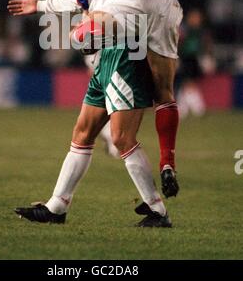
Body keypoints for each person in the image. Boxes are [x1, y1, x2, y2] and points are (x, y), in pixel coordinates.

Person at [73, 0, 243, 197]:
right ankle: (168, 162)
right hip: (169, 5)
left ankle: (98, 61)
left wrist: (84, 5)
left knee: (85, 35)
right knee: (165, 91)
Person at [15, 34, 172, 228]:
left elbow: (128, 13)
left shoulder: (130, 5)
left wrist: (94, 29)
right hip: (104, 58)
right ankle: (56, 207)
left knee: (122, 138)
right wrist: (42, 8)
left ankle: (157, 210)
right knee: (82, 134)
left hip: (125, 57)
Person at [7, 0, 121, 158]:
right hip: (108, 42)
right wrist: (40, 5)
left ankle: (118, 140)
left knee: (111, 112)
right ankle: (112, 137)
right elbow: (79, 0)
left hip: (122, 42)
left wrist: (90, 24)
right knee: (88, 125)